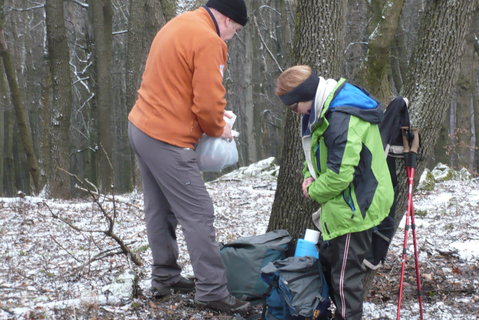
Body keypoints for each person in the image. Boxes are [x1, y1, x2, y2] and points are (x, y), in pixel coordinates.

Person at [127, 0, 250, 314]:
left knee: (159, 209)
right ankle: (212, 290)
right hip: (168, 137)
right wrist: (218, 128)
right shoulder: (209, 40)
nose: (229, 38)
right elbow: (209, 104)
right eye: (233, 30)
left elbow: (177, 82)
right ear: (224, 18)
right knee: (199, 212)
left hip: (142, 125)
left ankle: (165, 277)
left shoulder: (180, 24)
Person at [275, 65, 394, 320]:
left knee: (344, 279)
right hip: (349, 201)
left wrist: (313, 191)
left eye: (294, 107)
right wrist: (310, 176)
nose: (296, 114)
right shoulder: (329, 106)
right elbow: (323, 157)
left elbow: (340, 175)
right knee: (333, 267)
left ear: (304, 97)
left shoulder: (340, 116)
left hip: (357, 206)